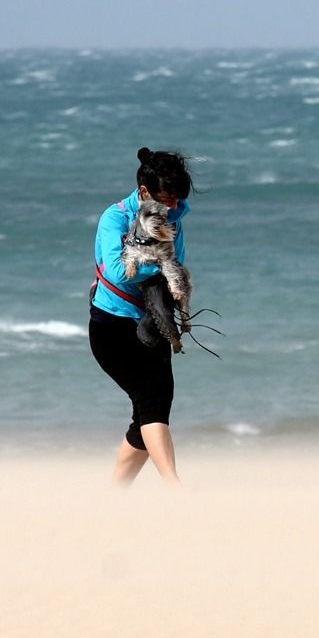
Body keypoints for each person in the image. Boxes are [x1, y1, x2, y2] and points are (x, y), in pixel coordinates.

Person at [89, 147, 194, 486]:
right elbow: (119, 272)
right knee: (153, 403)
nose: (174, 206)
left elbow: (176, 265)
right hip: (113, 329)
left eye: (178, 199)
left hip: (153, 323)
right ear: (145, 193)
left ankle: (116, 492)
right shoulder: (115, 218)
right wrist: (158, 262)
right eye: (167, 199)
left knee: (147, 413)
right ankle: (175, 487)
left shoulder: (173, 218)